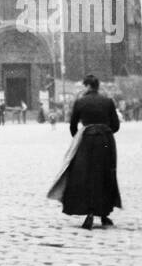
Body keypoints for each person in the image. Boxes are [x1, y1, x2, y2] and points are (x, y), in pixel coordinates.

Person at [47, 74, 121, 229]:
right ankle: (104, 213)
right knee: (106, 174)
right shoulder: (108, 102)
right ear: (97, 86)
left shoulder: (80, 102)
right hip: (106, 142)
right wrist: (104, 131)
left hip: (87, 141)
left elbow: (73, 125)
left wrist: (81, 136)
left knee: (86, 176)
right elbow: (116, 125)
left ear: (87, 86)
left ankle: (90, 211)